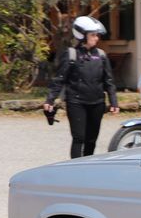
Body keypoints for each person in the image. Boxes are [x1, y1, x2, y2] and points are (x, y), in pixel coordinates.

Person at [43, 15, 119, 159]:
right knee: (79, 138)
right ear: (82, 35)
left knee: (91, 140)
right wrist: (50, 100)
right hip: (76, 103)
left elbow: (109, 80)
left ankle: (87, 169)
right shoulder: (71, 54)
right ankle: (75, 169)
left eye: (97, 35)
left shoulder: (101, 55)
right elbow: (59, 79)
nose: (96, 38)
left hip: (97, 103)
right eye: (93, 35)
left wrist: (113, 101)